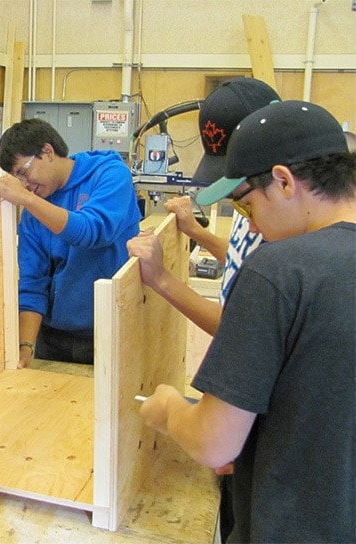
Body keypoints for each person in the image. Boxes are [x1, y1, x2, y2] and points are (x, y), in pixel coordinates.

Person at [139, 100, 355, 543]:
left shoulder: (277, 269)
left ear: (283, 180)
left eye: (246, 207)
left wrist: (168, 409)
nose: (252, 229)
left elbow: (211, 444)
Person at [128, 77, 280, 336]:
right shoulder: (259, 197)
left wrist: (161, 278)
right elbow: (242, 261)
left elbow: (243, 330)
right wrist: (196, 231)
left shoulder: (298, 236)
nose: (246, 213)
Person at [0, 118, 141, 367]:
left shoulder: (110, 175)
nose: (25, 185)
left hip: (113, 334)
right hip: (54, 338)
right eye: (18, 180)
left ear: (47, 152)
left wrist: (27, 200)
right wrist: (25, 347)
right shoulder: (34, 211)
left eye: (24, 172)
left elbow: (92, 231)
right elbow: (32, 280)